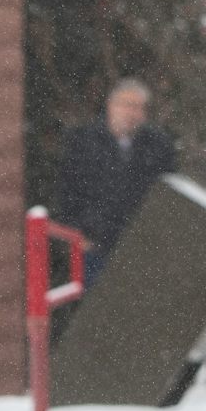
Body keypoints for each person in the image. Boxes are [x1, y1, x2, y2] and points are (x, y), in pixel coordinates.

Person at [52, 78, 177, 281]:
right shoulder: (84, 142)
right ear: (111, 106)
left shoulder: (158, 145)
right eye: (127, 105)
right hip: (95, 246)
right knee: (98, 307)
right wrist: (77, 234)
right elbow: (67, 191)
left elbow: (168, 194)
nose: (132, 113)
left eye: (138, 107)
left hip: (141, 247)